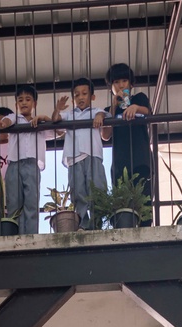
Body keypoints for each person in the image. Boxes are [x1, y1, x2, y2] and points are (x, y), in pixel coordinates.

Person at [5, 85, 65, 234]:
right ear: (16, 104)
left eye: (28, 99)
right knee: (14, 202)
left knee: (31, 202)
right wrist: (1, 124)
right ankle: (15, 235)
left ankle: (30, 234)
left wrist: (45, 119)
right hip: (14, 164)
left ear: (34, 104)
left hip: (32, 164)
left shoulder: (40, 123)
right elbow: (6, 121)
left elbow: (59, 132)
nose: (24, 103)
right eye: (20, 100)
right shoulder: (14, 118)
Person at [54, 78, 107, 228]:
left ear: (92, 97)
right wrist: (57, 109)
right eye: (77, 95)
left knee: (96, 189)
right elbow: (55, 120)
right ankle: (83, 226)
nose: (80, 97)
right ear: (73, 99)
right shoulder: (69, 114)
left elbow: (103, 115)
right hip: (74, 157)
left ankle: (97, 224)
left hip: (92, 155)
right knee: (78, 193)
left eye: (84, 93)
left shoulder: (97, 111)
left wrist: (99, 116)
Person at [100, 64, 152, 203]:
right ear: (111, 87)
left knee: (144, 202)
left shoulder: (139, 98)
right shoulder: (109, 110)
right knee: (123, 205)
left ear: (131, 83)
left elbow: (148, 112)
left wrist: (135, 108)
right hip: (120, 164)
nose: (121, 85)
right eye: (116, 82)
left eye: (124, 81)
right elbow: (105, 135)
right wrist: (113, 106)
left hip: (141, 159)